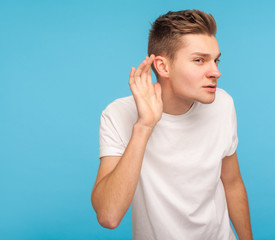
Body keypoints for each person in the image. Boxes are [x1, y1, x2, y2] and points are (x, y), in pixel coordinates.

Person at [91, 9, 253, 240]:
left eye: (216, 60)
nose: (216, 72)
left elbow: (233, 183)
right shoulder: (117, 114)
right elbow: (108, 216)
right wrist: (144, 126)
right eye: (199, 60)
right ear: (163, 67)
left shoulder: (223, 104)